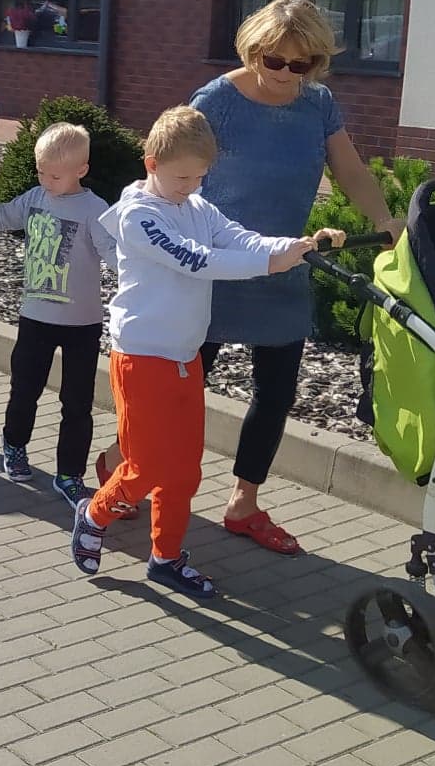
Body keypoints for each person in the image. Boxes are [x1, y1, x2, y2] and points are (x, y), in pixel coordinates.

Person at [171, 0, 405, 558]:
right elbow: (170, 173)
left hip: (284, 265)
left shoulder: (318, 104)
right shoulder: (216, 101)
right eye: (272, 60)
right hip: (215, 268)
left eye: (300, 64)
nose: (283, 73)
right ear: (252, 49)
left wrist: (385, 220)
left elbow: (349, 169)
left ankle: (244, 502)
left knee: (276, 393)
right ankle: (130, 467)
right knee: (178, 390)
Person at [73, 107, 338, 601]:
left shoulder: (196, 206)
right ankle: (93, 514)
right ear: (152, 163)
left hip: (185, 357)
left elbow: (238, 237)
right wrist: (271, 263)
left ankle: (166, 557)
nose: (191, 187)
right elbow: (196, 261)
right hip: (141, 358)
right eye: (182, 178)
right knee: (145, 467)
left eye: (199, 177)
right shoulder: (139, 216)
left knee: (184, 472)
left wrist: (298, 245)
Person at [0, 123, 113, 506]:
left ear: (81, 170)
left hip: (82, 323)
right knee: (25, 390)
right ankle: (14, 444)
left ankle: (70, 474)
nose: (46, 181)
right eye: (41, 172)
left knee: (78, 403)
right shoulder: (35, 198)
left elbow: (115, 257)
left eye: (55, 176)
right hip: (35, 319)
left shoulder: (96, 210)